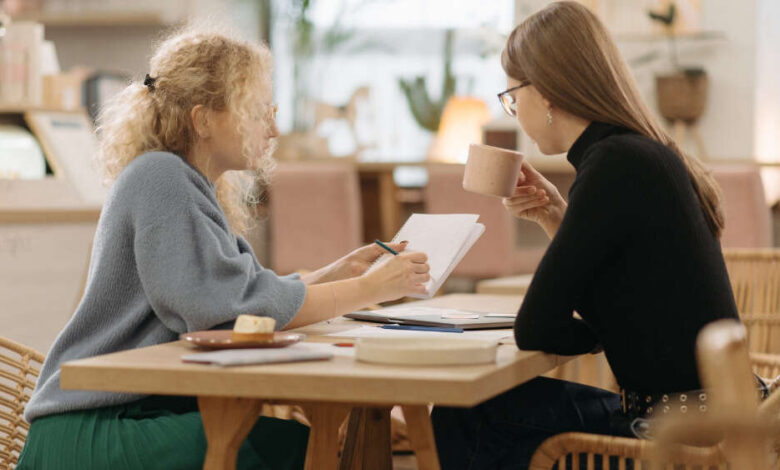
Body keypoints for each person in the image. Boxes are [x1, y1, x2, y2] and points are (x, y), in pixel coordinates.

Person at [18, 29, 430, 470]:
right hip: (90, 429)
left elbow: (244, 294)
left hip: (124, 415)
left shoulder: (187, 184)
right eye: (257, 112)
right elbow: (222, 308)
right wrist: (368, 289)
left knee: (302, 444)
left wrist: (338, 273)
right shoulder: (160, 177)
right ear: (203, 120)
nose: (273, 128)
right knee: (294, 449)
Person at [431, 2, 740, 469]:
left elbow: (535, 327)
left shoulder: (613, 164)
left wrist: (598, 335)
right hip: (716, 419)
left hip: (675, 438)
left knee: (465, 412)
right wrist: (558, 216)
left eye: (512, 96)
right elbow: (628, 300)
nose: (514, 111)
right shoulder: (640, 153)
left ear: (546, 93)